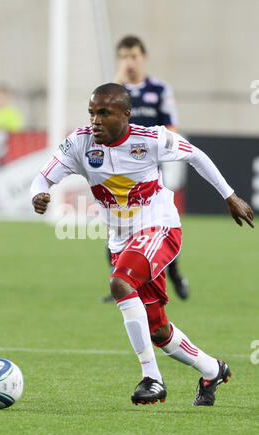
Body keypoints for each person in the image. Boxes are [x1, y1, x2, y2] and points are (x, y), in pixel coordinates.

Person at [30, 83, 254, 406]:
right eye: (92, 112)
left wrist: (230, 196)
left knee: (119, 283)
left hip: (159, 229)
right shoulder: (80, 143)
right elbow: (42, 178)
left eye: (104, 113)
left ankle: (152, 378)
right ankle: (212, 369)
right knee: (158, 330)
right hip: (122, 240)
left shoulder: (149, 140)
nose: (95, 120)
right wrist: (39, 194)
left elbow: (196, 156)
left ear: (125, 115)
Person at [102, 35, 188, 303]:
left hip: (150, 174)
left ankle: (173, 275)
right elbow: (100, 119)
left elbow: (171, 128)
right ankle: (123, 285)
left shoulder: (160, 90)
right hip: (117, 175)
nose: (129, 62)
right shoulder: (115, 92)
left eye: (134, 56)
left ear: (143, 57)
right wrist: (117, 82)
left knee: (157, 231)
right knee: (116, 231)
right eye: (124, 57)